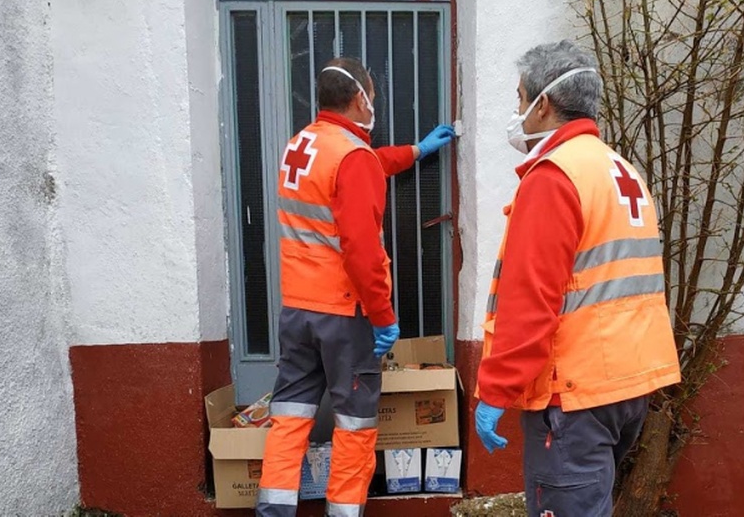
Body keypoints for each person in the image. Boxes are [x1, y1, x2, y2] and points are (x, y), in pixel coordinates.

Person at [474, 41, 681, 517]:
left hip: (573, 394)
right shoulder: (621, 171)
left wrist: (496, 390)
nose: (517, 111)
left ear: (543, 104)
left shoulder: (553, 177)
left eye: (520, 99)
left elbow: (529, 300)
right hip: (626, 386)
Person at [256, 57, 455, 517]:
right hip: (344, 315)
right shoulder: (351, 157)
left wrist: (416, 151)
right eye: (373, 96)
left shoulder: (300, 146)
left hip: (297, 310)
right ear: (360, 97)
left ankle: (273, 511)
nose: (374, 104)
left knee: (290, 415)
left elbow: (361, 169)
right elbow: (363, 251)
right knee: (354, 422)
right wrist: (384, 318)